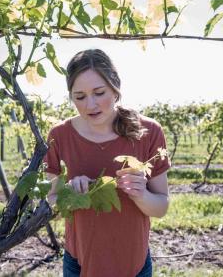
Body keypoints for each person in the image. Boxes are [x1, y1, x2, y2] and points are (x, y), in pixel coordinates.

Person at [44, 49, 171, 277]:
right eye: (80, 97)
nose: (90, 105)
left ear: (115, 88)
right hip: (79, 263)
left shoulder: (149, 132)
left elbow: (161, 207)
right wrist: (70, 195)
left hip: (135, 264)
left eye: (99, 93)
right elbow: (51, 201)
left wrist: (140, 194)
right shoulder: (59, 136)